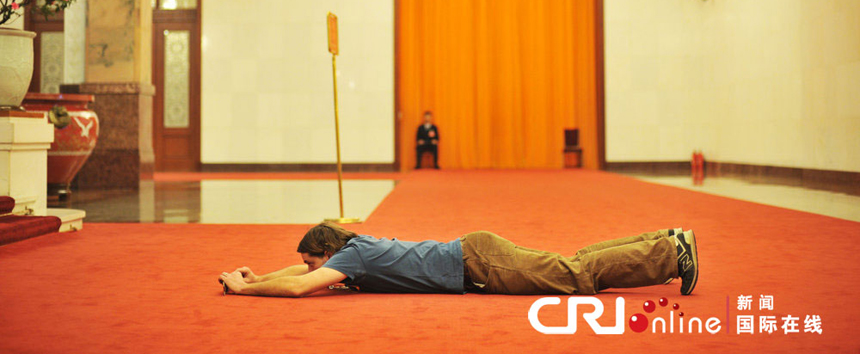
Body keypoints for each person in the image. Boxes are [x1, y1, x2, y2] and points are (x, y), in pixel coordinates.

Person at [218, 223, 699, 298]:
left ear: (328, 252)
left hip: (478, 263)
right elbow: (301, 273)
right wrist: (260, 276)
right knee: (570, 263)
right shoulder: (353, 252)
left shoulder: (354, 256)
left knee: (573, 278)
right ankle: (663, 239)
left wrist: (244, 290)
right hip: (476, 255)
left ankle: (670, 255)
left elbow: (303, 286)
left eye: (312, 259)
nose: (311, 268)